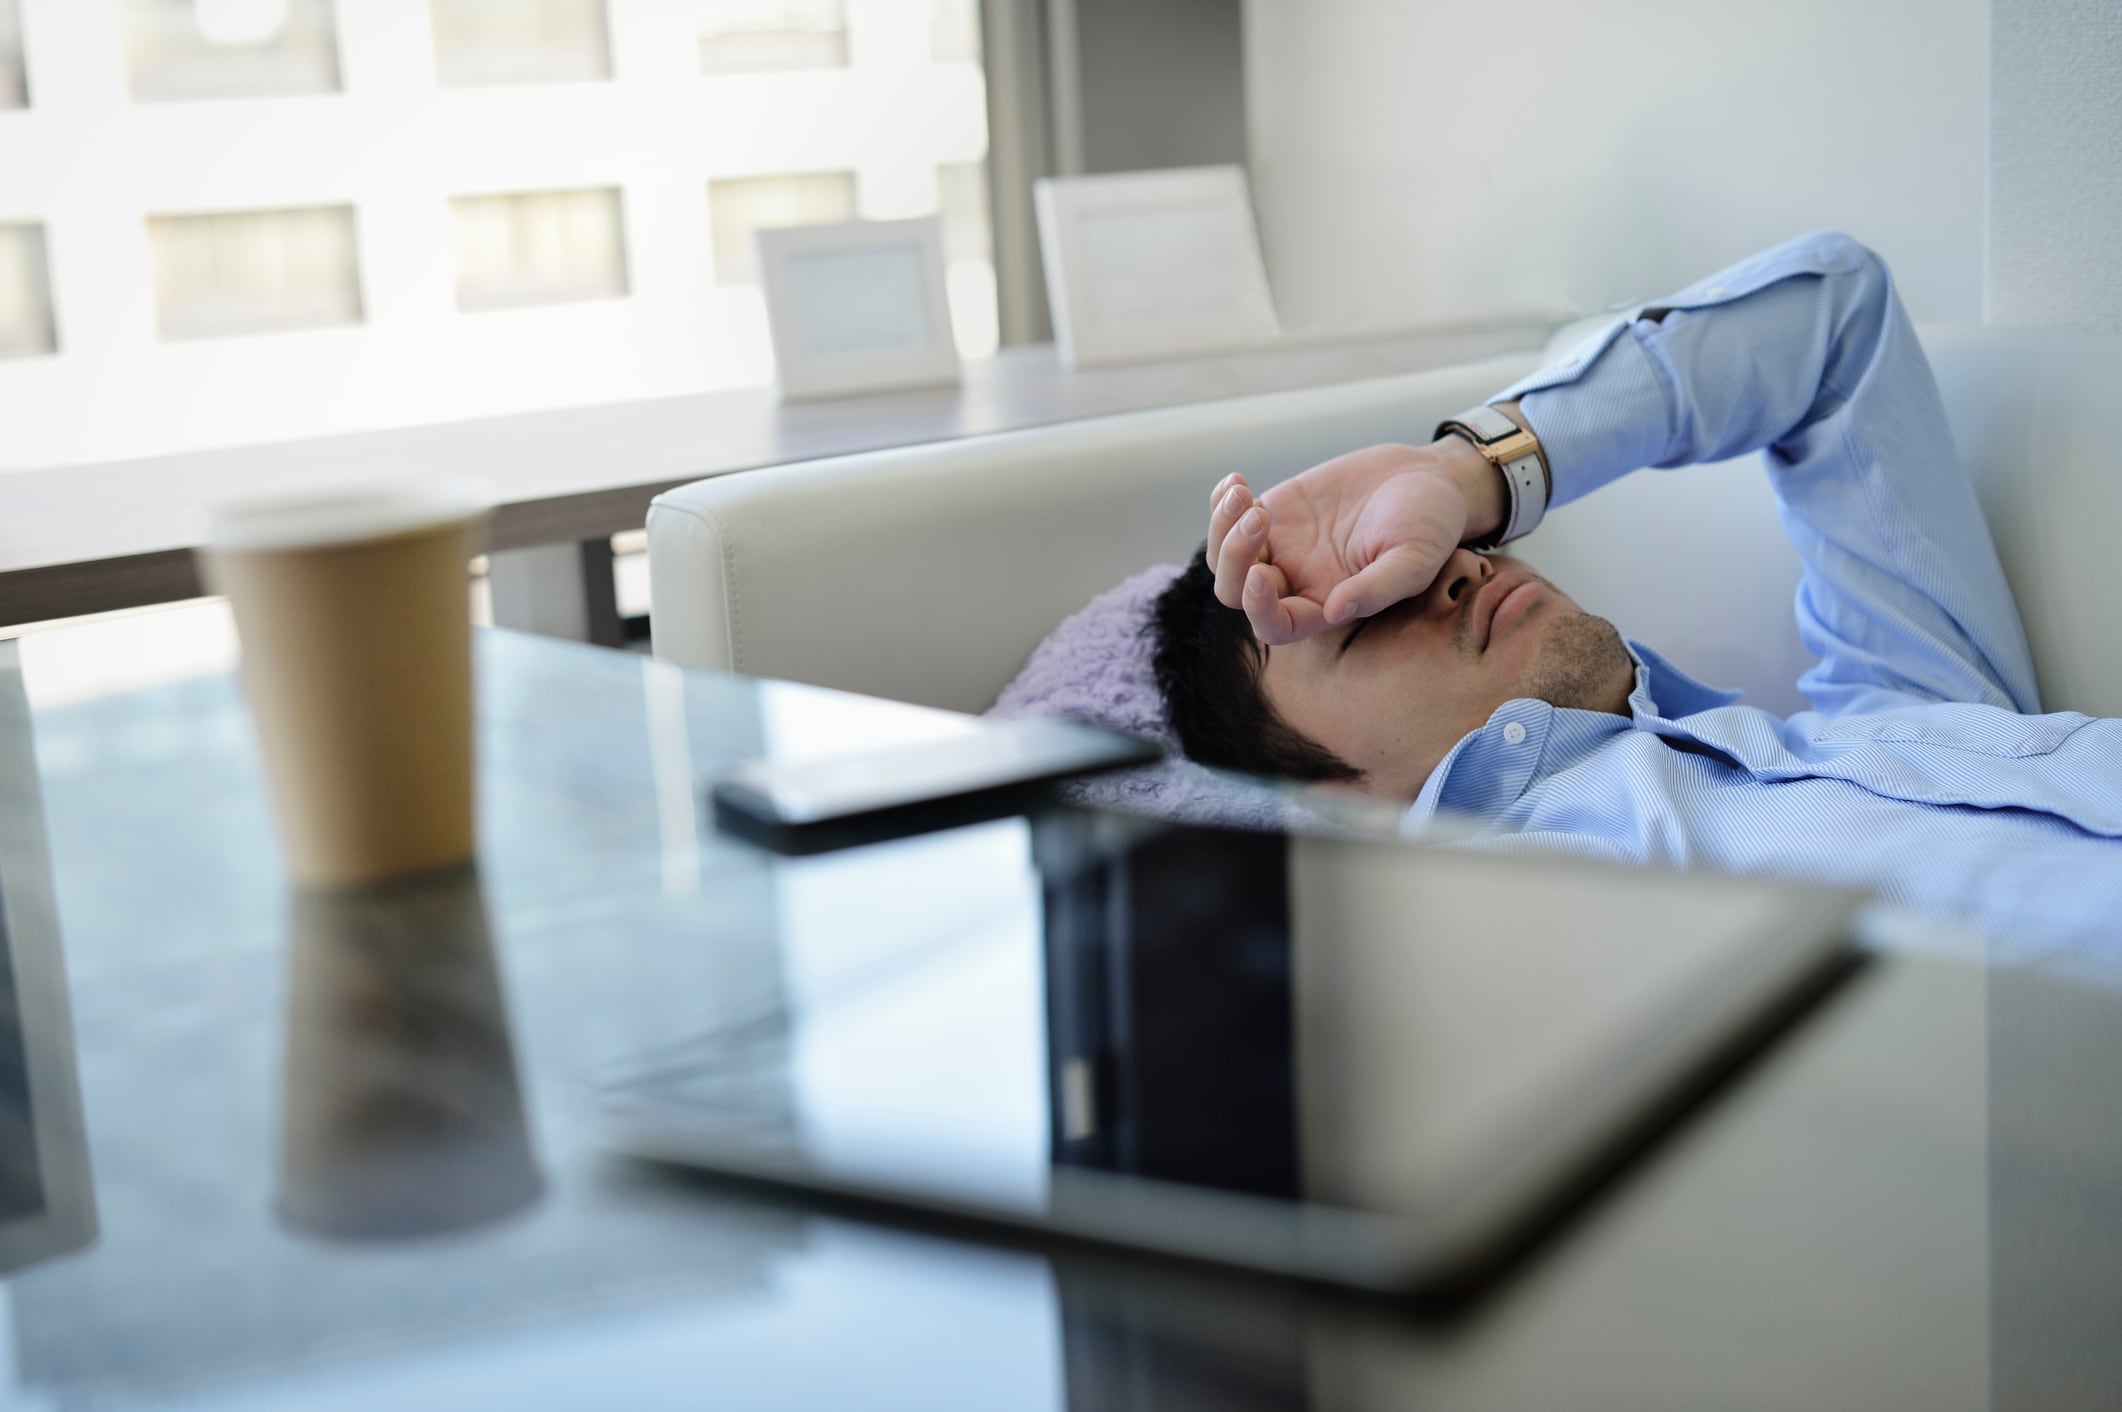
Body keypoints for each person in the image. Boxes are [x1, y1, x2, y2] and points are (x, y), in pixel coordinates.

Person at [1149, 231, 2122, 953]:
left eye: (1442, 546)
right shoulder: (1542, 927)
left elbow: (1836, 322)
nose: (1452, 567)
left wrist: (1471, 470)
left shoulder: (1895, 714)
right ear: (1324, 800)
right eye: (1361, 617)